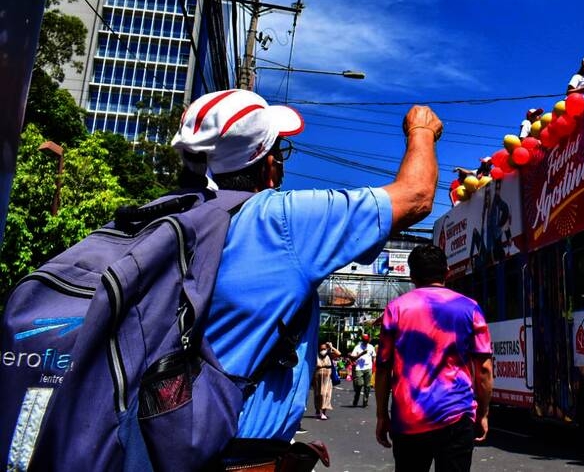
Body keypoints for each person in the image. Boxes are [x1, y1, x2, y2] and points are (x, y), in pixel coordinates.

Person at [169, 89, 442, 461]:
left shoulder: (161, 220)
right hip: (238, 455)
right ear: (267, 165)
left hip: (161, 445)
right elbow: (415, 197)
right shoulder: (280, 219)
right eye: (279, 152)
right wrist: (421, 131)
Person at [375, 244, 493, 472]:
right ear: (447, 271)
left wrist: (382, 415)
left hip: (409, 418)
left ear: (412, 276)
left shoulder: (395, 309)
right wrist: (483, 413)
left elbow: (382, 368)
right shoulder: (470, 309)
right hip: (457, 415)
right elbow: (484, 369)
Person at [314, 342, 340, 420]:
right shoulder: (316, 355)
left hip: (327, 377)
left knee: (325, 394)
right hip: (317, 376)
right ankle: (318, 410)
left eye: (324, 349)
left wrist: (331, 347)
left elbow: (338, 354)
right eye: (321, 349)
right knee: (318, 394)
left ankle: (323, 412)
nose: (323, 351)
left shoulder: (329, 355)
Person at [350, 333, 377, 407]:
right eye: (364, 340)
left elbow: (374, 357)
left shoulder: (371, 347)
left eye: (367, 340)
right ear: (362, 340)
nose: (366, 341)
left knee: (367, 386)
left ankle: (365, 401)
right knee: (359, 384)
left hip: (368, 368)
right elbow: (352, 358)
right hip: (359, 368)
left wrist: (374, 365)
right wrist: (362, 354)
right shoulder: (357, 347)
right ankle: (356, 398)